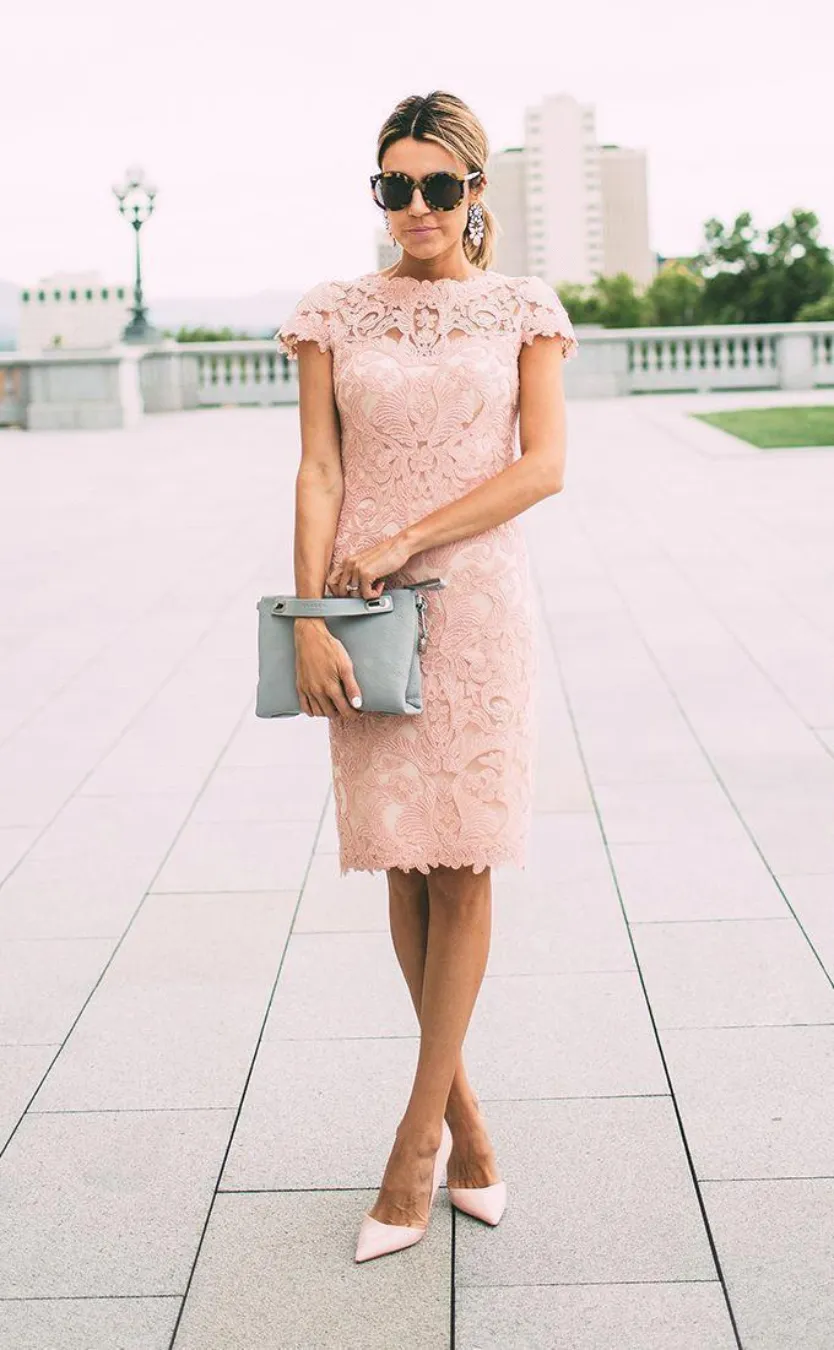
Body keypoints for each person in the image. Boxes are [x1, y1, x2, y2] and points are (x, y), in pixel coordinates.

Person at [274, 89, 578, 1264]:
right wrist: (311, 619)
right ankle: (473, 1129)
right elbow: (315, 470)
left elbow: (544, 465)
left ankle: (413, 1150)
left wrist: (406, 540)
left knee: (462, 860)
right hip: (355, 611)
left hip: (478, 603)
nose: (416, 208)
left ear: (476, 193)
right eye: (394, 186)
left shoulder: (523, 309)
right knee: (400, 868)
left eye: (438, 187)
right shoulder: (330, 314)